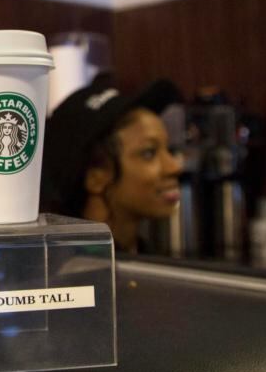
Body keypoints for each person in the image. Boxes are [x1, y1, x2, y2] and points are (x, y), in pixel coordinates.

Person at [41, 78, 183, 253]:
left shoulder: (148, 262)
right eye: (149, 153)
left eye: (168, 149)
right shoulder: (76, 276)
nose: (174, 167)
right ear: (95, 176)